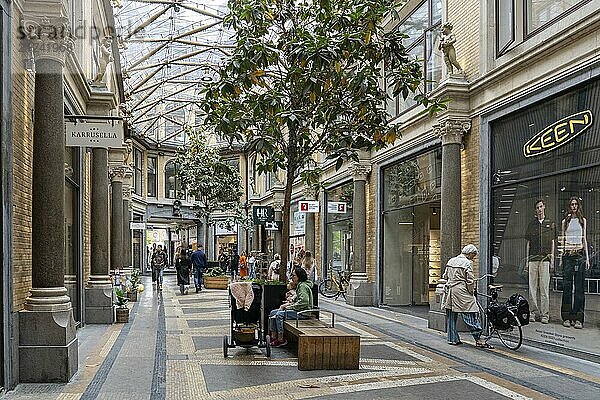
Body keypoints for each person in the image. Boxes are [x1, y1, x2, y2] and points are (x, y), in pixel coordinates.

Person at [441, 244, 491, 348]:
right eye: (474, 255)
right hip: (462, 291)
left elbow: (445, 276)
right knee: (470, 313)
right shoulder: (468, 263)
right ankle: (478, 338)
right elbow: (470, 281)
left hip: (450, 290)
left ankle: (452, 339)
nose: (474, 257)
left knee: (451, 316)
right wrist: (471, 292)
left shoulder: (451, 260)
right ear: (470, 253)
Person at [559, 197, 590, 329]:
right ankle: (567, 317)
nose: (574, 206)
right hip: (568, 256)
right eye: (572, 204)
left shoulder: (582, 221)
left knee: (579, 288)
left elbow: (585, 240)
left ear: (578, 206)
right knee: (567, 288)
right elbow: (562, 240)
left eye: (576, 204)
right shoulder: (565, 222)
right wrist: (560, 257)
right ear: (569, 206)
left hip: (579, 255)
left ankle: (578, 318)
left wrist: (587, 258)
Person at [525, 199, 556, 324]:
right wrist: (527, 260)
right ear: (535, 210)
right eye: (537, 207)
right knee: (532, 287)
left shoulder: (550, 223)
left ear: (544, 207)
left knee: (544, 287)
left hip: (545, 260)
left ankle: (545, 315)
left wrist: (552, 259)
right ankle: (532, 313)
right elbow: (528, 244)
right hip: (533, 260)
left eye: (541, 206)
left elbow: (553, 242)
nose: (539, 209)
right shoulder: (531, 225)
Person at [268, 266, 313, 347]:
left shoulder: (302, 286)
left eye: (293, 275)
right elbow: (298, 300)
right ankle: (274, 337)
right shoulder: (300, 285)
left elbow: (304, 301)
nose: (291, 277)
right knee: (273, 313)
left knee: (279, 315)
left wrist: (290, 307)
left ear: (299, 277)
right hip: (299, 311)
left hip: (303, 313)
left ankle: (281, 339)